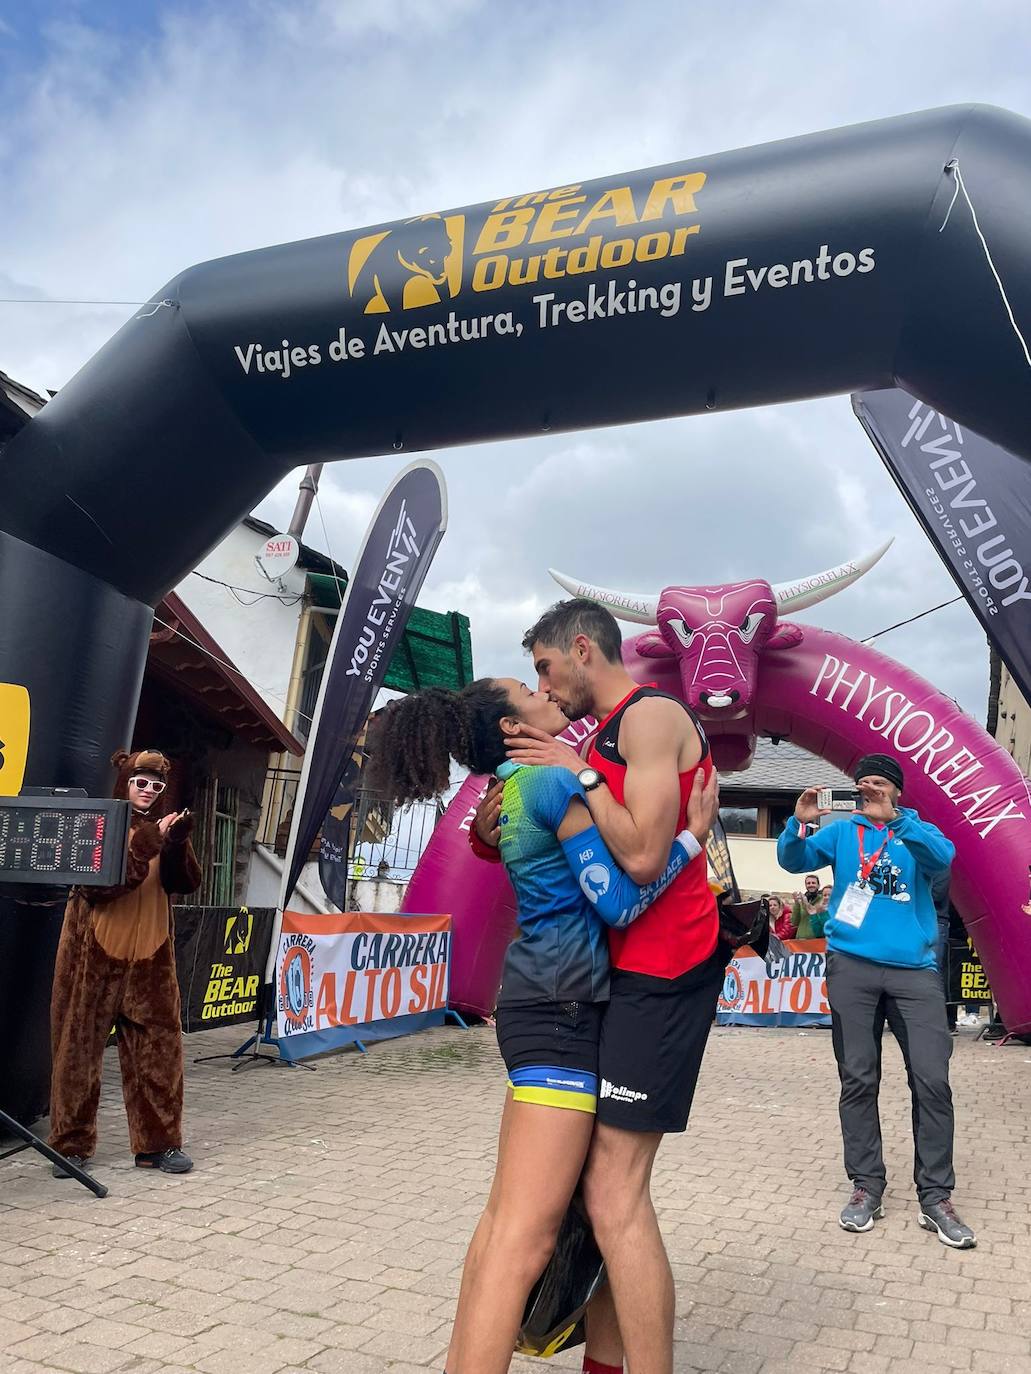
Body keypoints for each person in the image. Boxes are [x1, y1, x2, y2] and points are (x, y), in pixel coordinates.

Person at [365, 677, 718, 1374]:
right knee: (524, 1238)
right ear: (510, 724)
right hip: (559, 1012)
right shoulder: (550, 787)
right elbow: (619, 904)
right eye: (526, 686)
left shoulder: (517, 790)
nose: (542, 688)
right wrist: (690, 839)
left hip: (542, 1005)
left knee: (516, 1224)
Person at [488, 598, 724, 1374]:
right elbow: (516, 830)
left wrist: (579, 771)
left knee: (614, 1196)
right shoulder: (589, 736)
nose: (544, 687)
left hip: (666, 971)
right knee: (597, 1200)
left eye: (546, 668)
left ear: (582, 649)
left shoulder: (650, 720)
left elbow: (645, 859)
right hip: (616, 977)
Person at [777, 752, 976, 1249]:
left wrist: (898, 822)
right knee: (858, 1078)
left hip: (914, 971)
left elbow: (943, 859)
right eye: (860, 785)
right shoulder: (844, 833)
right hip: (851, 967)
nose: (867, 793)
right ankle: (867, 1186)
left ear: (896, 792)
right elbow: (793, 860)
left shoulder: (916, 831)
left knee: (932, 1080)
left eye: (877, 786)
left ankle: (935, 1197)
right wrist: (798, 824)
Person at [49, 749, 201, 1178]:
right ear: (125, 782)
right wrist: (148, 841)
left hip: (150, 957)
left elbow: (185, 882)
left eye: (157, 785)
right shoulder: (100, 825)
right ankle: (70, 1145)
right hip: (94, 957)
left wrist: (177, 844)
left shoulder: (160, 828)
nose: (149, 791)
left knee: (160, 1053)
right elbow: (100, 888)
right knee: (78, 1050)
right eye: (141, 782)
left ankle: (159, 1145)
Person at [791, 873, 825, 939]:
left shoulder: (822, 900)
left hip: (816, 941)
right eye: (808, 883)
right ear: (806, 886)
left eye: (813, 883)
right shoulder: (802, 900)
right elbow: (794, 922)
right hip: (800, 941)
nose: (811, 885)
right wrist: (797, 903)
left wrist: (806, 904)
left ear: (818, 885)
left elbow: (820, 920)